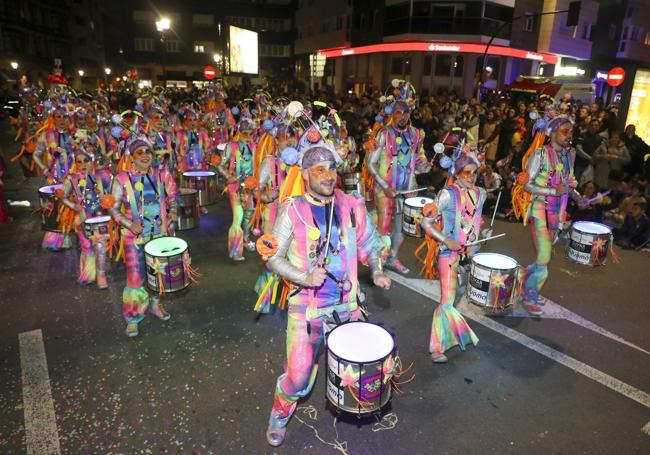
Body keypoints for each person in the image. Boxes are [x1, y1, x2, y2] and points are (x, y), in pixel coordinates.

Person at [264, 146, 391, 447]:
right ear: (305, 175)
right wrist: (304, 277)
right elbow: (272, 257)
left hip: (347, 306)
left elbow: (371, 244)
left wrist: (376, 271)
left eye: (331, 168)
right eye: (318, 170)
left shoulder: (351, 204)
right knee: (297, 378)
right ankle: (279, 413)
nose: (327, 175)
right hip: (306, 310)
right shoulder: (292, 209)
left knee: (354, 367)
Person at [420, 150, 488, 363]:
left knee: (457, 296)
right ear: (457, 173)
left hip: (470, 255)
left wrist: (484, 234)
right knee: (447, 301)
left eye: (474, 172)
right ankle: (437, 348)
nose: (471, 176)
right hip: (449, 254)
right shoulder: (447, 194)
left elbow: (475, 220)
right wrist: (446, 240)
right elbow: (425, 222)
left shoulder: (481, 194)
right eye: (466, 172)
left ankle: (449, 336)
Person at [109, 139, 178, 337]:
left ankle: (155, 305)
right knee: (135, 278)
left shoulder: (161, 173)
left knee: (159, 273)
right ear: (131, 156)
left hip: (160, 234)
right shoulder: (122, 178)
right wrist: (130, 224)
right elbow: (113, 209)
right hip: (134, 238)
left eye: (148, 151)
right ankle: (133, 317)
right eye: (140, 152)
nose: (146, 155)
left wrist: (173, 211)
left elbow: (173, 195)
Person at [521, 117, 584, 315]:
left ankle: (523, 277)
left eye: (570, 132)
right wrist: (552, 192)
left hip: (559, 213)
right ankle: (530, 294)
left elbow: (567, 183)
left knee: (543, 257)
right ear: (552, 133)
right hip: (540, 210)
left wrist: (578, 196)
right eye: (565, 131)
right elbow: (527, 184)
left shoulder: (568, 156)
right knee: (544, 255)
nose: (569, 136)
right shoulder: (540, 154)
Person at [367, 99, 431, 274]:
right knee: (383, 227)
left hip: (407, 190)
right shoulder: (383, 134)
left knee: (400, 227)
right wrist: (384, 185)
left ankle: (392, 258)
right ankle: (378, 262)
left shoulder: (417, 134)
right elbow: (370, 164)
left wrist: (424, 166)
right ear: (392, 114)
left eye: (406, 113)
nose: (403, 117)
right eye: (398, 113)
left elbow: (418, 159)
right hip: (385, 190)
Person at [59, 150, 109, 287]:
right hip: (82, 218)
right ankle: (88, 273)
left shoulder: (102, 175)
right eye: (79, 161)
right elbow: (62, 196)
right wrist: (73, 205)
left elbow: (112, 193)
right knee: (87, 246)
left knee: (100, 245)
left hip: (100, 217)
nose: (82, 164)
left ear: (92, 161)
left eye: (86, 160)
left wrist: (107, 199)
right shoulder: (72, 178)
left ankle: (101, 274)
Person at [34, 105, 75, 250]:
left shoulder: (76, 135)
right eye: (58, 117)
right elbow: (36, 155)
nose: (62, 120)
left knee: (72, 207)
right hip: (54, 178)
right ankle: (56, 240)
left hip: (73, 179)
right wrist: (45, 169)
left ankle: (72, 237)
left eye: (65, 116)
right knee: (55, 209)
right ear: (53, 119)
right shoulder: (46, 135)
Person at [218, 117, 258, 260]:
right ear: (240, 132)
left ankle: (246, 240)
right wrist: (229, 176)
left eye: (251, 133)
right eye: (245, 133)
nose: (248, 136)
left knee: (248, 215)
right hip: (235, 188)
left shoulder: (255, 147)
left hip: (250, 187)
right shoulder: (231, 146)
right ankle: (235, 250)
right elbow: (220, 165)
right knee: (238, 217)